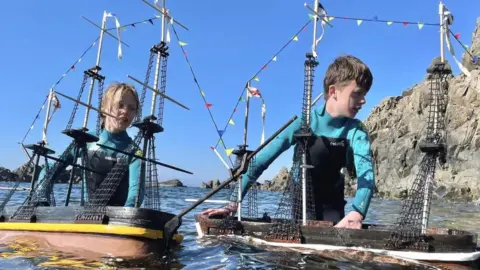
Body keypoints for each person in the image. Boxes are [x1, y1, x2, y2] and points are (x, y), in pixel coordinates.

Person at [201, 55, 375, 229]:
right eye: (357, 93)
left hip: (333, 199)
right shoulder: (303, 123)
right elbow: (260, 161)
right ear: (333, 92)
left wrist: (357, 212)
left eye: (365, 94)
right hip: (302, 198)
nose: (363, 100)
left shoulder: (357, 130)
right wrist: (232, 204)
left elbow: (366, 174)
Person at [34, 82, 145, 207]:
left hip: (116, 219)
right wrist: (41, 197)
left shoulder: (135, 152)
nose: (125, 111)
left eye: (132, 108)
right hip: (86, 217)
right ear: (103, 109)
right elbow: (49, 170)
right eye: (120, 105)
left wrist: (126, 214)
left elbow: (136, 193)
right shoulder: (85, 140)